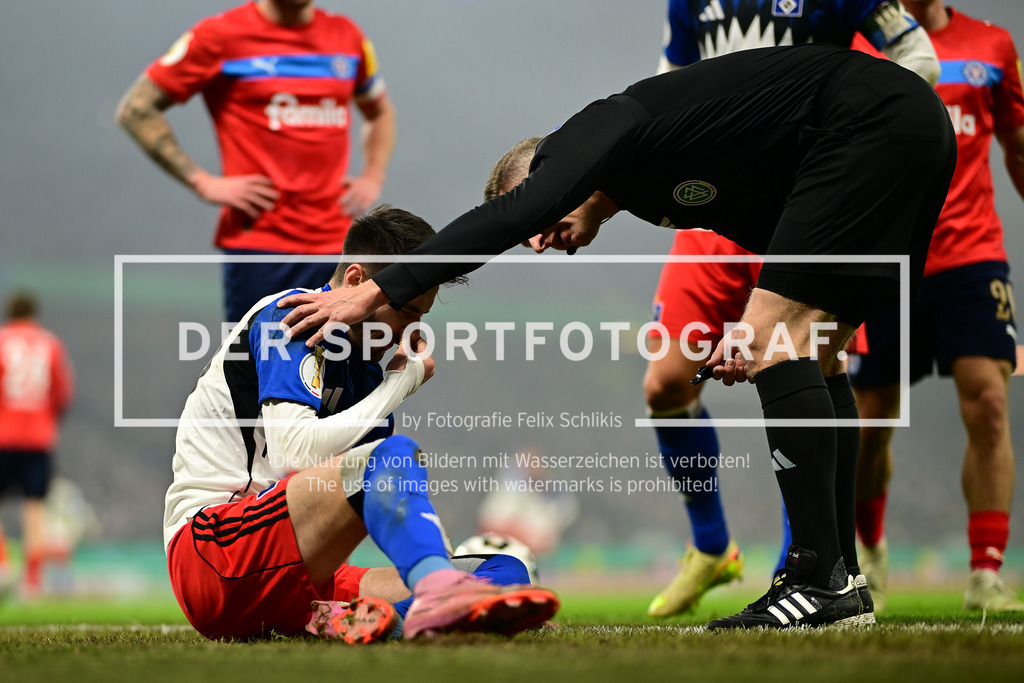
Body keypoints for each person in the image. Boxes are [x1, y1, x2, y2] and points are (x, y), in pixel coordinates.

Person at [279, 44, 957, 629]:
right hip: (909, 131)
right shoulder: (658, 190)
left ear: (547, 166)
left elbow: (522, 206)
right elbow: (785, 223)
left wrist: (377, 289)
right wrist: (755, 326)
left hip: (869, 120)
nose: (540, 241)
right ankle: (842, 579)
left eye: (535, 218)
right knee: (816, 351)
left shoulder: (599, 125)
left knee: (776, 339)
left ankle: (815, 580)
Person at [644, 0, 941, 619]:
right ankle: (710, 549)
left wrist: (851, 155)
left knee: (815, 364)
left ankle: (809, 565)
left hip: (805, 207)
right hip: (711, 218)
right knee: (665, 382)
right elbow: (667, 85)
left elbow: (917, 57)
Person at [165, 206, 559, 641]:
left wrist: (445, 562)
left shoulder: (366, 368)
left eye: (422, 315)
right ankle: (436, 596)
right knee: (392, 456)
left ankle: (389, 621)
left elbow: (368, 496)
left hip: (296, 574)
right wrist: (399, 384)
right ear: (355, 281)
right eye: (407, 309)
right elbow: (293, 454)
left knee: (499, 571)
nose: (413, 330)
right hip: (213, 552)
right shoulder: (292, 315)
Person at [848, 0, 1024, 613]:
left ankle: (985, 573)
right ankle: (869, 548)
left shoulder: (994, 47)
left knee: (990, 403)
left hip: (972, 259)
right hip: (888, 254)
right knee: (870, 424)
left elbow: (1018, 149)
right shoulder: (858, 41)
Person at [116, 0, 397, 323]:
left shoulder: (347, 36)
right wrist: (202, 182)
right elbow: (137, 109)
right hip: (263, 247)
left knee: (342, 369)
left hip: (339, 246)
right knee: (257, 367)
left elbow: (380, 111)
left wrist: (374, 175)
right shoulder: (218, 36)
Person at [0, 292, 74, 597]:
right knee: (35, 510)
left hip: (3, 435)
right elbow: (62, 392)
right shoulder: (50, 344)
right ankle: (32, 582)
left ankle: (3, 564)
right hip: (39, 439)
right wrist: (47, 420)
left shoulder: (2, 341)